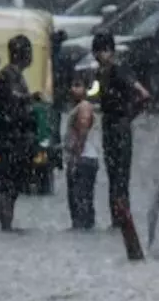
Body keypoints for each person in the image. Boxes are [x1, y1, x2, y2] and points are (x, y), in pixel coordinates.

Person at [92, 32, 150, 236]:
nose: (100, 56)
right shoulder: (101, 73)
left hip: (119, 127)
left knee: (120, 176)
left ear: (111, 51)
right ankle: (117, 220)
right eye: (97, 52)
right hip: (110, 125)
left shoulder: (119, 71)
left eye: (103, 51)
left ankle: (123, 220)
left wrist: (128, 115)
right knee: (113, 175)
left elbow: (143, 94)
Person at [0, 35, 42, 232]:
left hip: (17, 139)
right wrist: (30, 98)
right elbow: (13, 100)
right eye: (28, 52)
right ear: (21, 54)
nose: (31, 57)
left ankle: (8, 225)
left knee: (13, 187)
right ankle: (6, 226)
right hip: (10, 140)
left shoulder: (17, 75)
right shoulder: (7, 76)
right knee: (8, 186)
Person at [63, 73, 102, 230]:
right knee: (81, 201)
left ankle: (83, 229)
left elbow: (83, 131)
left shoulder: (84, 107)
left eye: (78, 85)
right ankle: (84, 229)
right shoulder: (78, 107)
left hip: (83, 160)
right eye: (72, 85)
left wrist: (75, 158)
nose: (73, 89)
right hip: (83, 159)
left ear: (86, 89)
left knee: (80, 202)